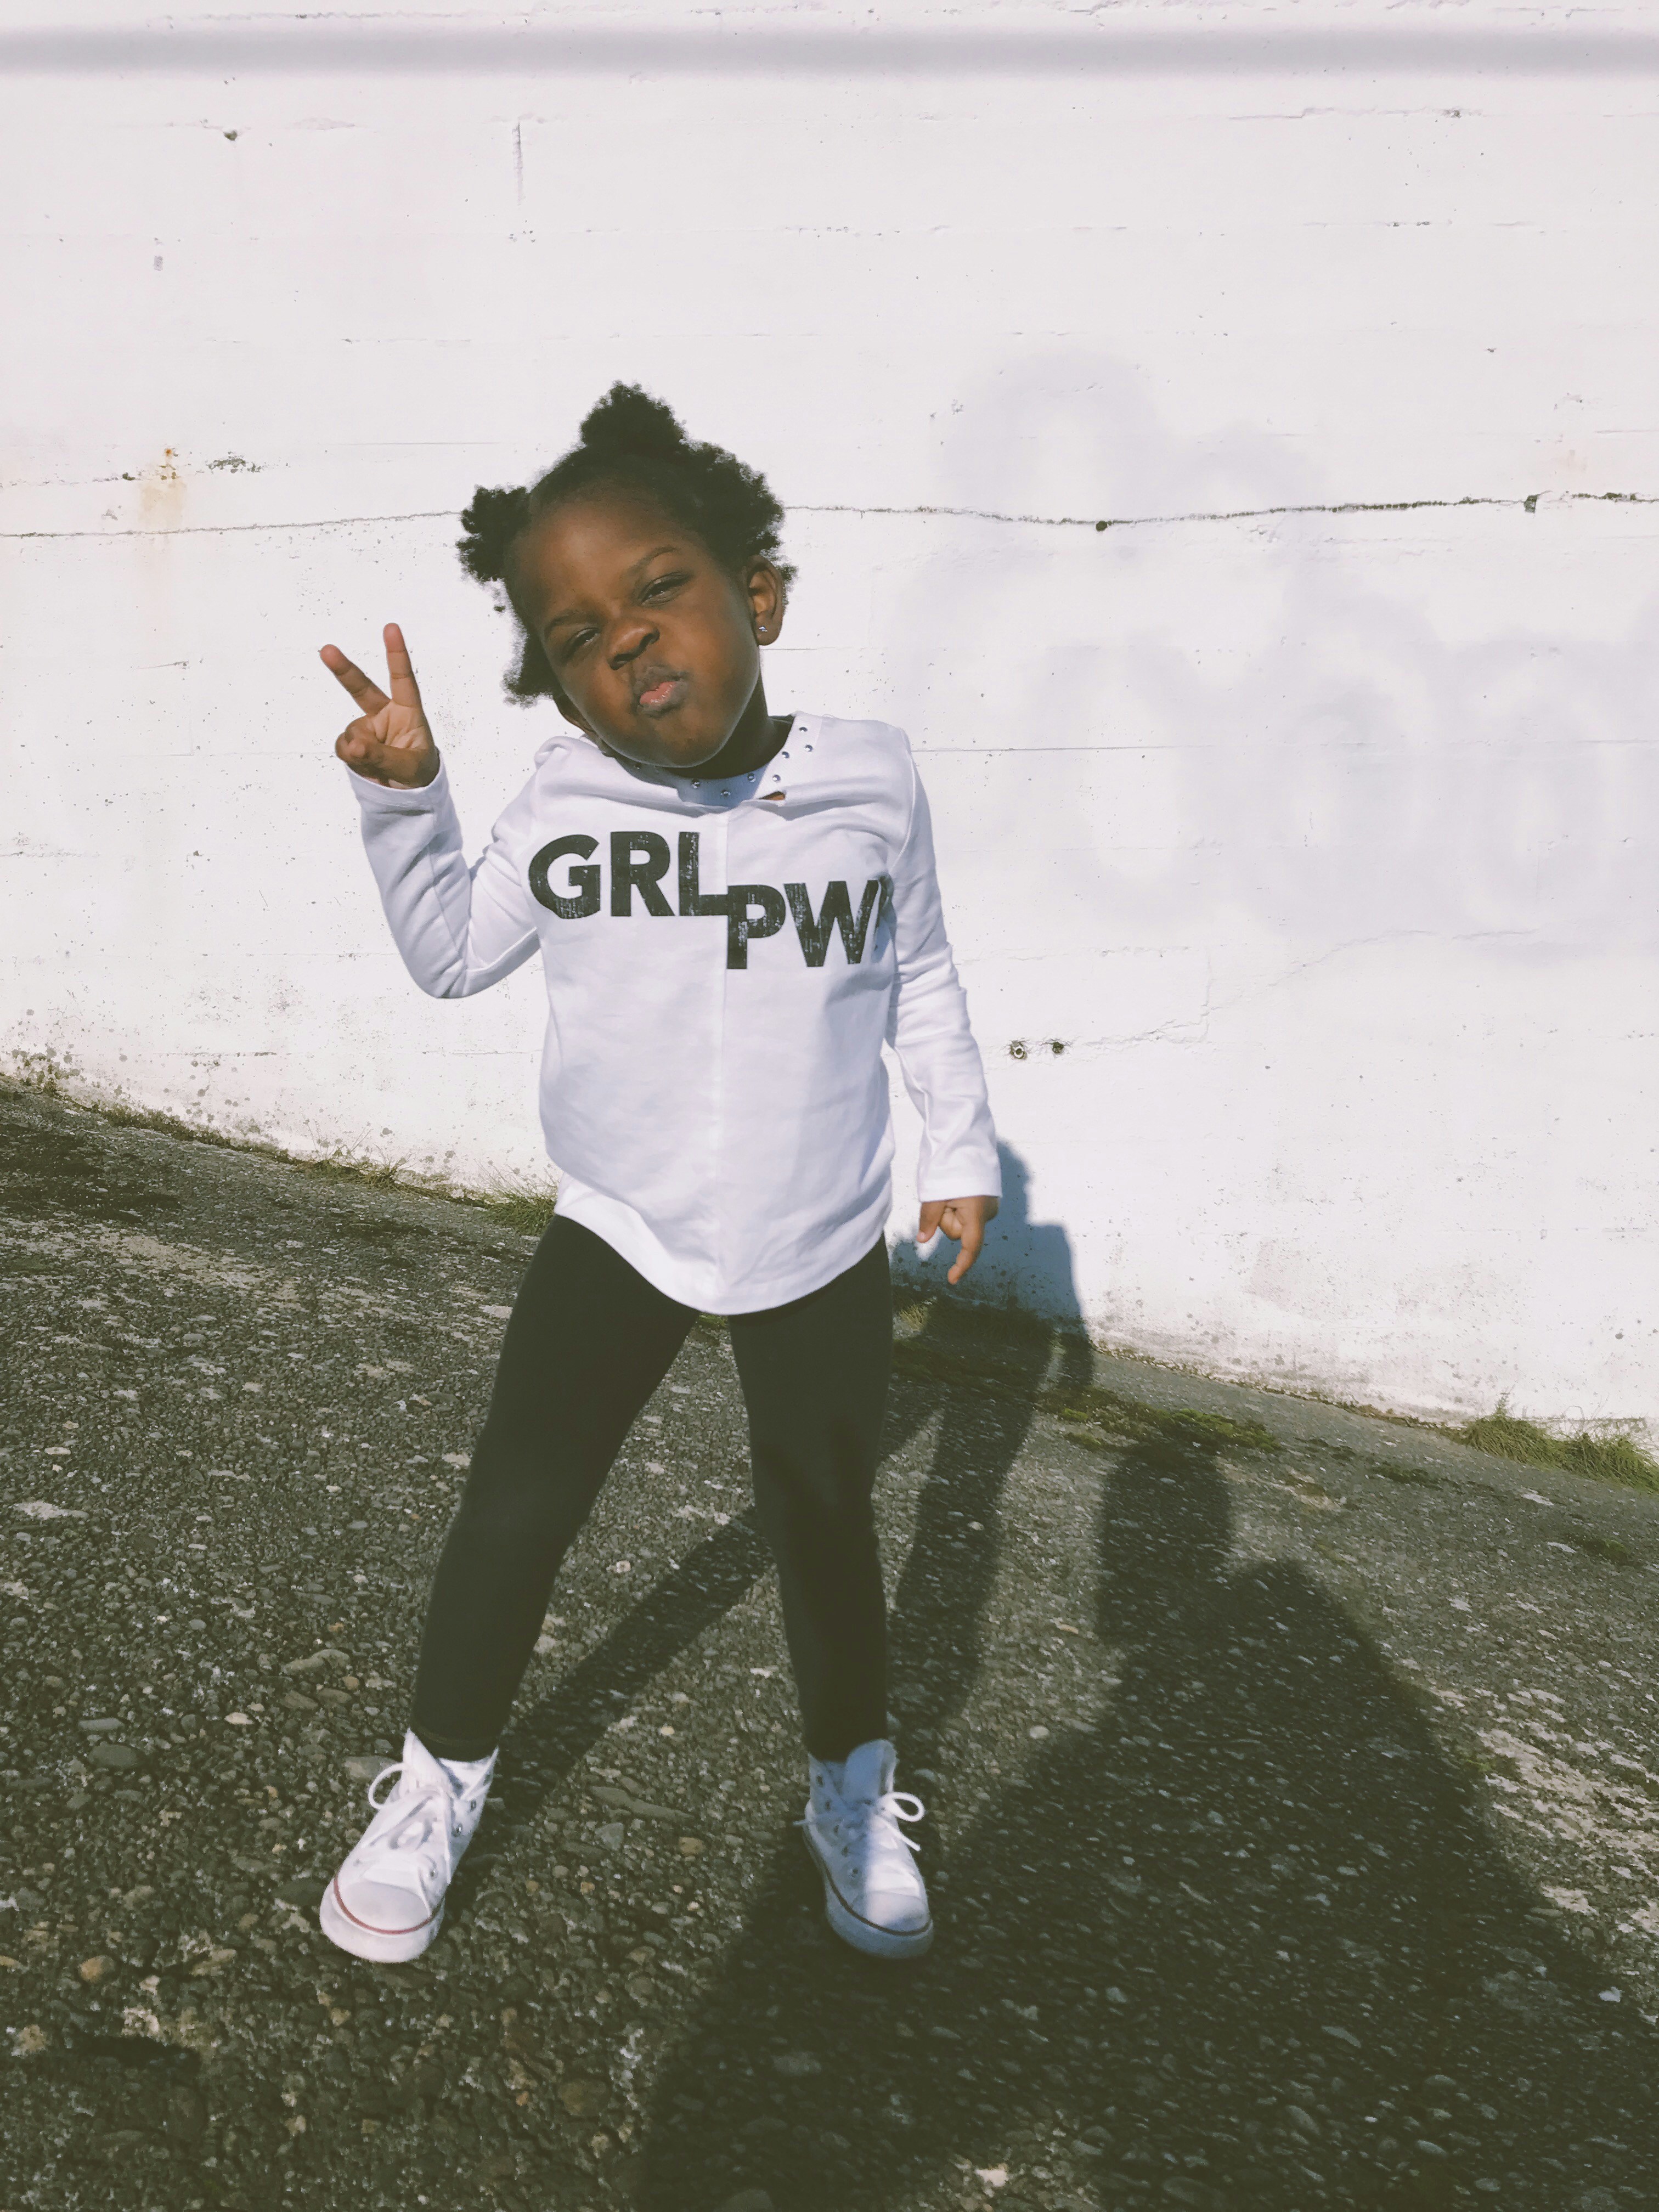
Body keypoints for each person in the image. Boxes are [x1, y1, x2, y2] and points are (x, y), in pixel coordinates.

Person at [313, 383, 1000, 1966]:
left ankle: (851, 1788)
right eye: (574, 637)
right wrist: (405, 797)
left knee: (822, 1518)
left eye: (658, 589)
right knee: (517, 1508)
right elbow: (448, 955)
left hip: (819, 1233)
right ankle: (437, 1782)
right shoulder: (566, 803)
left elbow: (921, 974)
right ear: (560, 693)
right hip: (619, 1225)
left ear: (758, 595)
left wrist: (957, 1149)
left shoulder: (873, 780)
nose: (624, 639)